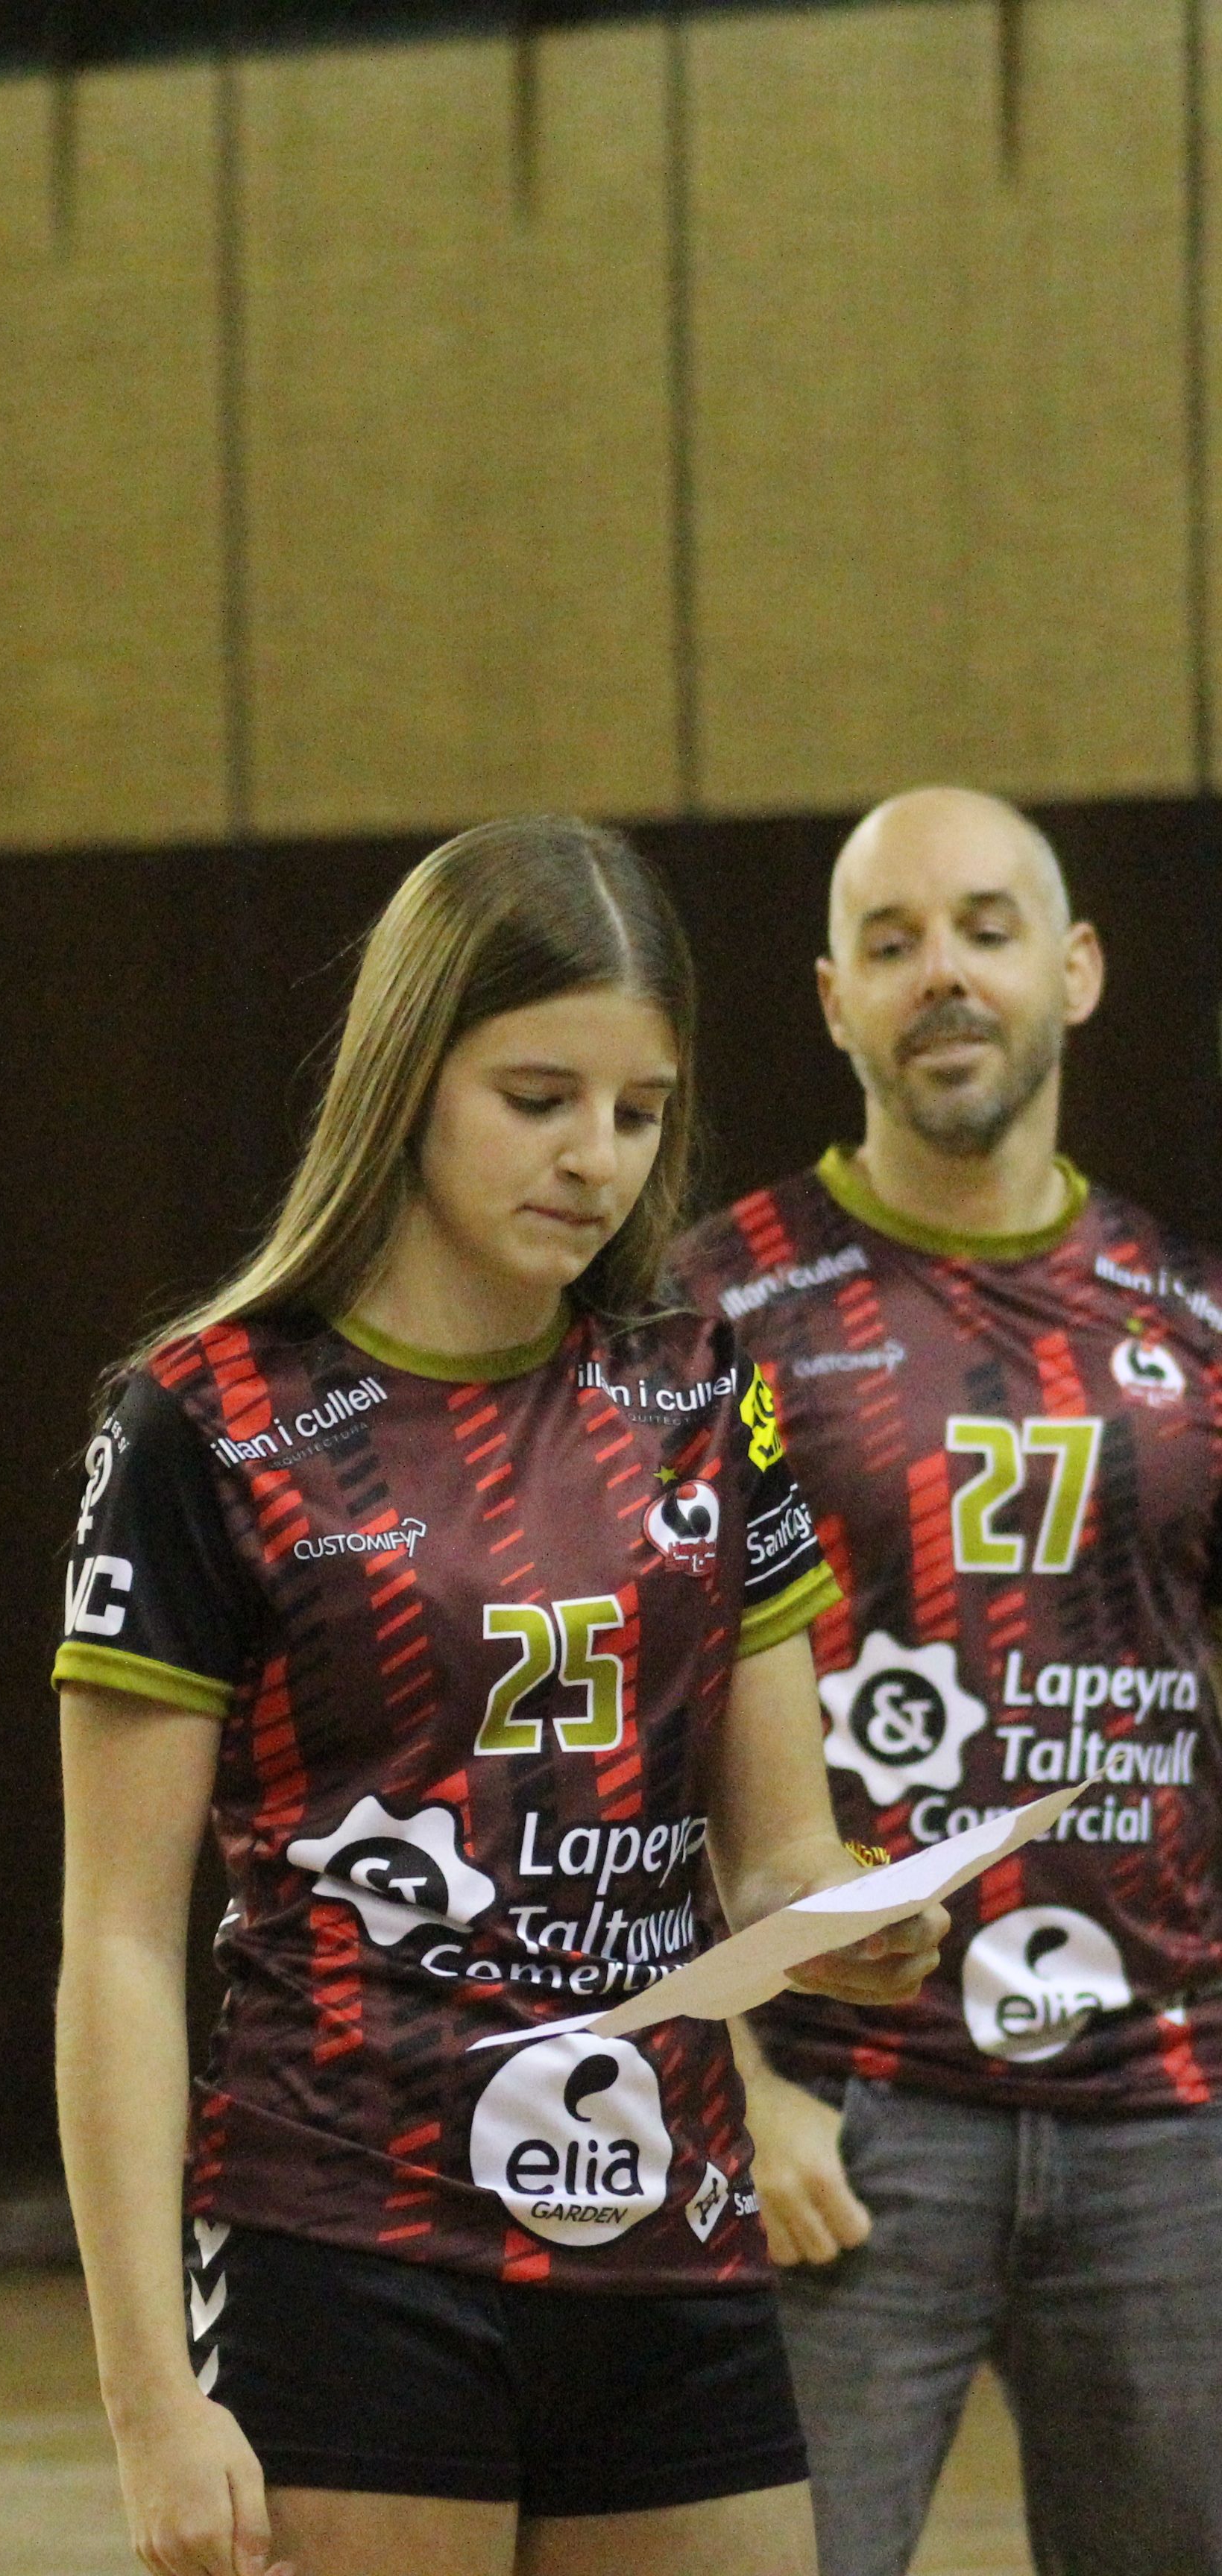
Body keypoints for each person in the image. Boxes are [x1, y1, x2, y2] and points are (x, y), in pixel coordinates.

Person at [53, 816, 948, 2576]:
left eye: (638, 1109)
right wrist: (150, 2396)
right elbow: (119, 1943)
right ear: (409, 1076)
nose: (596, 1158)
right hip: (347, 2240)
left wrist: (850, 1922)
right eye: (538, 1097)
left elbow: (775, 1858)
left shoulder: (706, 1385)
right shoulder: (202, 1421)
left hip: (671, 2238)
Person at [670, 786, 1222, 2576]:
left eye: (985, 930)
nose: (944, 977)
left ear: (1073, 969)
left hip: (1168, 2128)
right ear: (831, 998)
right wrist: (733, 2084)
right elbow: (627, 1739)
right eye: (892, 944)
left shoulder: (1193, 1322)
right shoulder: (711, 1315)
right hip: (840, 2112)